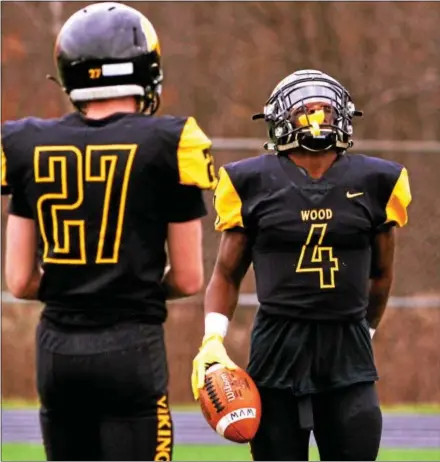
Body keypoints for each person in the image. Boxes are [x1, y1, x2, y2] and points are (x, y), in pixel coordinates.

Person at [1, 2, 217, 461]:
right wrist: (125, 287)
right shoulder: (168, 143)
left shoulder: (25, 144)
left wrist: (72, 287)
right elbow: (189, 278)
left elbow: (19, 280)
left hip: (56, 351)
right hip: (131, 344)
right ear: (145, 67)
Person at [192, 69, 412, 461]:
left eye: (324, 110)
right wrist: (213, 340)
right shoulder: (251, 182)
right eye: (305, 110)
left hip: (348, 351)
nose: (315, 118)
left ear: (342, 116)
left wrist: (367, 332)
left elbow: (382, 275)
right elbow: (226, 273)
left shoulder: (377, 180)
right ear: (281, 118)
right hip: (276, 349)